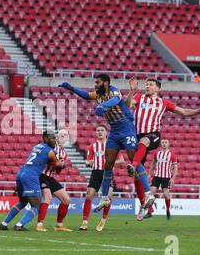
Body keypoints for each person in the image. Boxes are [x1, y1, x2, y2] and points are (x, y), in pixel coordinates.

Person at [59, 74, 155, 219]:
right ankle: (104, 198)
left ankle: (148, 195)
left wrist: (103, 105)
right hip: (115, 132)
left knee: (133, 158)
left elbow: (116, 99)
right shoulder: (98, 94)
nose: (95, 84)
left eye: (97, 82)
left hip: (127, 128)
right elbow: (86, 95)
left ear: (105, 82)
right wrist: (70, 87)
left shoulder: (113, 90)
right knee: (107, 163)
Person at [125, 77, 200, 219]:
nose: (147, 86)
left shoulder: (163, 103)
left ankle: (133, 165)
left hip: (153, 135)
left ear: (158, 88)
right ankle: (144, 208)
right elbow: (127, 106)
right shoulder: (139, 97)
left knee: (144, 141)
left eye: (150, 85)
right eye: (146, 84)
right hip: (137, 136)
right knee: (137, 179)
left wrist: (199, 110)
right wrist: (131, 91)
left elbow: (183, 112)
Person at [0, 130, 64, 231]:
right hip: (31, 175)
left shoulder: (36, 147)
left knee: (23, 202)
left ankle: (4, 223)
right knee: (37, 206)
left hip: (21, 173)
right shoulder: (51, 151)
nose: (54, 140)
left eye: (55, 138)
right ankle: (19, 225)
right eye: (52, 138)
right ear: (45, 138)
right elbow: (58, 164)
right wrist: (63, 164)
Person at [80, 124, 126, 231]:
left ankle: (103, 221)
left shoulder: (112, 146)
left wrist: (110, 162)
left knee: (108, 198)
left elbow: (122, 160)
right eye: (98, 130)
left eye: (102, 130)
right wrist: (89, 162)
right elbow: (89, 160)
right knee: (89, 195)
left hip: (107, 173)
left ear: (106, 133)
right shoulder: (92, 146)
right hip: (96, 173)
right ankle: (85, 222)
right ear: (96, 133)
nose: (100, 132)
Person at [36, 129, 72, 232]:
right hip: (41, 174)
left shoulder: (64, 153)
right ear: (57, 136)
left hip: (50, 177)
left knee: (66, 200)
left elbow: (58, 171)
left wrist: (62, 166)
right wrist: (56, 163)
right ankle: (40, 224)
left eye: (65, 135)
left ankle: (59, 225)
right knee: (47, 197)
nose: (62, 137)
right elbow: (44, 160)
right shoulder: (50, 146)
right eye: (61, 135)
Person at [144, 139, 178, 220]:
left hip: (166, 177)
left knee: (166, 195)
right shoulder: (157, 153)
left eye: (166, 142)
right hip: (157, 176)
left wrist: (173, 178)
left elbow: (176, 168)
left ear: (168, 144)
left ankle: (168, 209)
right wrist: (150, 173)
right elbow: (153, 163)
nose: (164, 144)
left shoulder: (172, 155)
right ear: (160, 144)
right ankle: (149, 212)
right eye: (162, 142)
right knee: (150, 193)